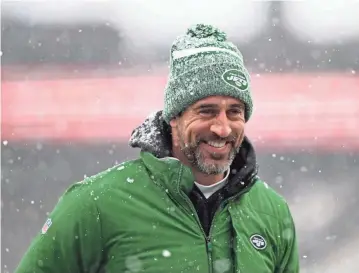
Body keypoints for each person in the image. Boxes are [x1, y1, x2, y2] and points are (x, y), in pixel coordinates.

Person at [15, 23, 299, 273]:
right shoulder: (97, 205)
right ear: (174, 116)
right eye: (206, 111)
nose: (222, 128)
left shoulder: (272, 213)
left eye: (234, 112)